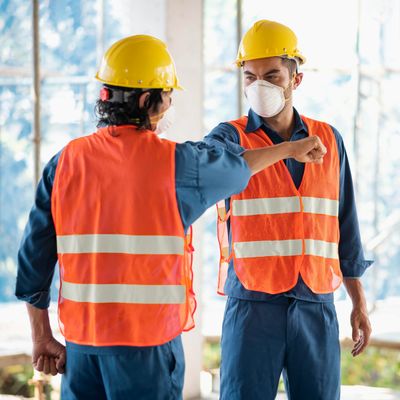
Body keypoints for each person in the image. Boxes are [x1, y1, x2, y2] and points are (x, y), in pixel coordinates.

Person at [15, 34, 326, 400]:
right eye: (168, 97)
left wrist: (41, 335)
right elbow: (238, 166)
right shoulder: (177, 164)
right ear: (148, 100)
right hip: (146, 349)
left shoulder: (64, 162)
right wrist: (290, 149)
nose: (169, 106)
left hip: (82, 349)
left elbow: (33, 260)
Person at [204, 19, 373, 400]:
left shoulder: (328, 139)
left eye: (271, 75)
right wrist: (289, 150)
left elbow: (346, 227)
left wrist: (359, 303)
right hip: (253, 304)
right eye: (249, 76)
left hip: (315, 301)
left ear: (295, 79)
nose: (258, 85)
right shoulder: (228, 136)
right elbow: (211, 168)